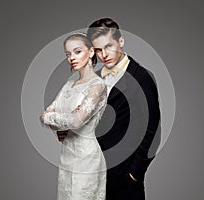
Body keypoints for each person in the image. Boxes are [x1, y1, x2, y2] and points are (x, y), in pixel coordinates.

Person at [86, 18, 161, 200]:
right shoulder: (92, 79)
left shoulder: (141, 77)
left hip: (124, 178)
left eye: (109, 46)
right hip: (92, 173)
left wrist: (135, 172)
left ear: (121, 41)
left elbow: (153, 129)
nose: (104, 54)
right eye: (98, 50)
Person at [40, 33, 107, 200]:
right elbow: (43, 117)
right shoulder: (68, 85)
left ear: (91, 52)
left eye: (77, 51)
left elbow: (76, 121)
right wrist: (64, 118)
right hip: (66, 155)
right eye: (68, 54)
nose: (72, 58)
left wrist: (56, 117)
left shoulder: (98, 85)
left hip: (87, 157)